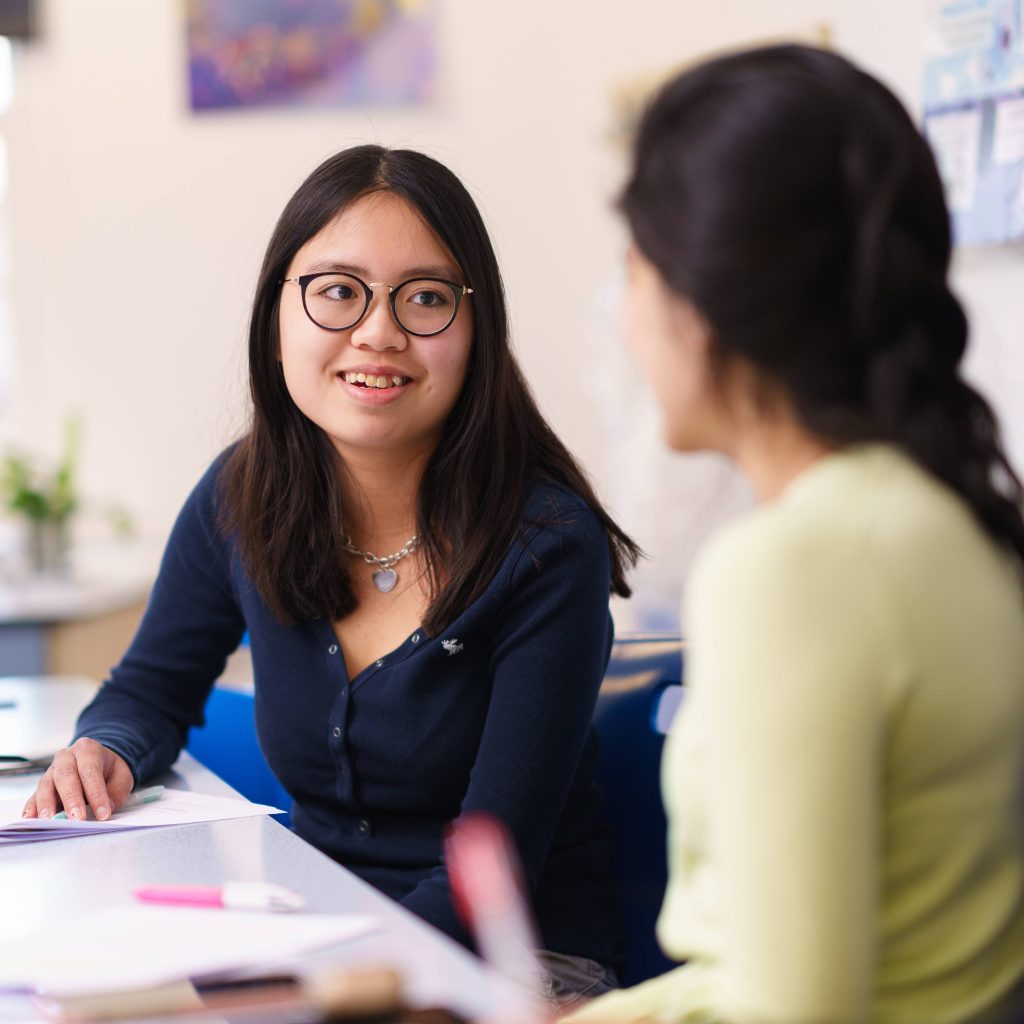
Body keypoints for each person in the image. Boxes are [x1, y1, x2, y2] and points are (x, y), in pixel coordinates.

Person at [24, 145, 639, 1003]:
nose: (378, 332)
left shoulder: (543, 545)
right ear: (279, 315)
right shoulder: (241, 496)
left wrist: (308, 981)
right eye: (338, 291)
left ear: (477, 329)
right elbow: (149, 690)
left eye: (425, 298)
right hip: (318, 932)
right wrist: (106, 750)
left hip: (513, 962)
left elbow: (488, 865)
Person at [568, 45, 1024, 1024]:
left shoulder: (791, 570)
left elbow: (793, 1007)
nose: (625, 315)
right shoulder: (960, 515)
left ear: (701, 304)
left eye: (634, 270)